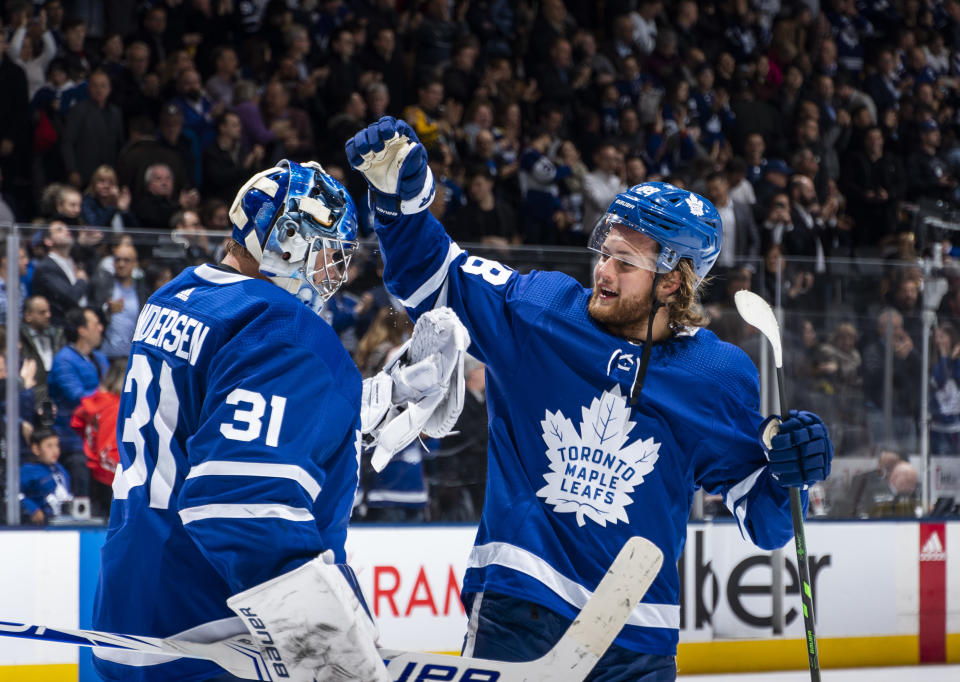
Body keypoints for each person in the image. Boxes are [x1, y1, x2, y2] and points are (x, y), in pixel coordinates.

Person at [346, 117, 834, 680]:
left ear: (673, 283)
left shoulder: (716, 375)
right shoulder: (541, 310)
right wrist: (397, 203)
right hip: (522, 603)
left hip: (638, 630)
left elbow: (769, 525)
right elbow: (431, 279)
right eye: (605, 252)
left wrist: (792, 471)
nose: (603, 270)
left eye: (625, 263)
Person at [92, 160, 388, 682]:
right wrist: (329, 649)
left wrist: (367, 402)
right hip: (214, 629)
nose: (333, 274)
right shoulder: (284, 326)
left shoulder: (176, 294)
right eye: (326, 253)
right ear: (289, 241)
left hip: (130, 606)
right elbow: (245, 501)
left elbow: (213, 419)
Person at [20, 428, 72, 525]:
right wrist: (32, 509)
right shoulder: (28, 470)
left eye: (57, 445)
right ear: (36, 449)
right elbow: (14, 495)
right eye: (49, 446)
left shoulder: (61, 469)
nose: (55, 450)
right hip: (41, 527)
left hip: (63, 522)